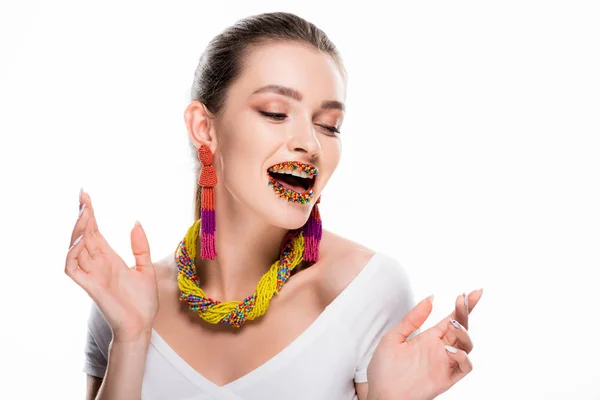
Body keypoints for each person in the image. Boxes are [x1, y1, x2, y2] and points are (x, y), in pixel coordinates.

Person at [65, 11, 483, 400]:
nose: (311, 144)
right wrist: (132, 337)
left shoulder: (364, 290)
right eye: (275, 112)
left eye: (329, 125)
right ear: (204, 127)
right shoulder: (125, 301)